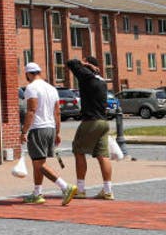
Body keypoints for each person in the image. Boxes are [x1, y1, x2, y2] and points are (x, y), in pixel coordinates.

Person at [20, 62, 78, 205]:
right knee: (38, 162)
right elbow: (57, 112)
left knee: (39, 164)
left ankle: (65, 187)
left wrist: (24, 131)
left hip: (37, 128)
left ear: (29, 73)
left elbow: (31, 110)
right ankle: (37, 193)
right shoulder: (52, 89)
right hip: (50, 128)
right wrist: (57, 132)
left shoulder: (31, 88)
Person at [67, 56, 115, 200]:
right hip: (103, 122)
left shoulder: (87, 77)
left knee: (78, 151)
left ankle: (81, 189)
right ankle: (108, 191)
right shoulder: (101, 81)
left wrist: (83, 64)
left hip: (90, 121)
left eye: (84, 62)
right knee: (103, 156)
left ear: (88, 65)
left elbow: (71, 63)